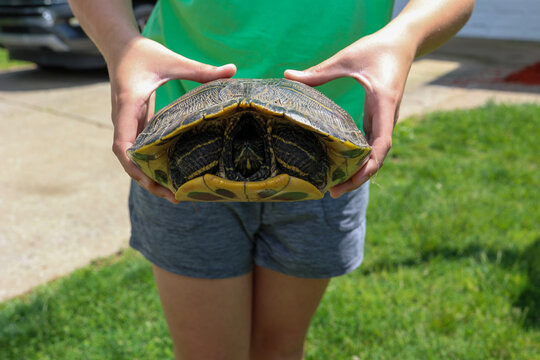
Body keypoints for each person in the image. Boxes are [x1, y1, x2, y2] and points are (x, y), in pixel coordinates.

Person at [68, 1, 475, 359]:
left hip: (322, 138)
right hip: (185, 124)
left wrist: (403, 39)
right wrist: (123, 45)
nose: (247, 148)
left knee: (280, 349)